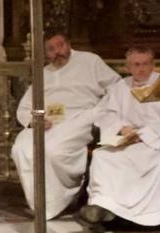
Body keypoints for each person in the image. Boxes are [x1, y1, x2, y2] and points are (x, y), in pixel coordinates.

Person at [10, 32, 117, 215]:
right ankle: (41, 205)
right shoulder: (44, 73)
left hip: (81, 117)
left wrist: (99, 113)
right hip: (47, 121)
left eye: (60, 45)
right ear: (45, 54)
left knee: (53, 151)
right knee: (21, 149)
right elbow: (25, 107)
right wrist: (34, 121)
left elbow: (116, 87)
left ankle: (65, 197)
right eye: (51, 49)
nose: (57, 52)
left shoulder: (90, 61)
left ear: (68, 44)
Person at [76, 46, 160, 232]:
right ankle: (103, 207)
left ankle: (143, 216)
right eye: (136, 64)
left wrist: (142, 135)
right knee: (103, 157)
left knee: (146, 160)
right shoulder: (121, 87)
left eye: (145, 64)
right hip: (127, 140)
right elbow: (106, 114)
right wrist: (122, 128)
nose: (141, 69)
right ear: (128, 67)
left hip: (157, 142)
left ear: (153, 65)